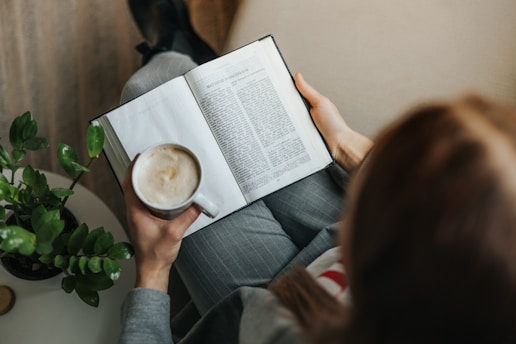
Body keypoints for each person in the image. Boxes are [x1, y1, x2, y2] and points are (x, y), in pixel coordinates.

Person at [118, 1, 516, 343]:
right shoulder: (486, 257)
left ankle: (169, 46)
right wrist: (346, 145)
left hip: (272, 304)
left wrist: (153, 270)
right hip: (345, 241)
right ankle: (182, 48)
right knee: (215, 97)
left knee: (150, 89)